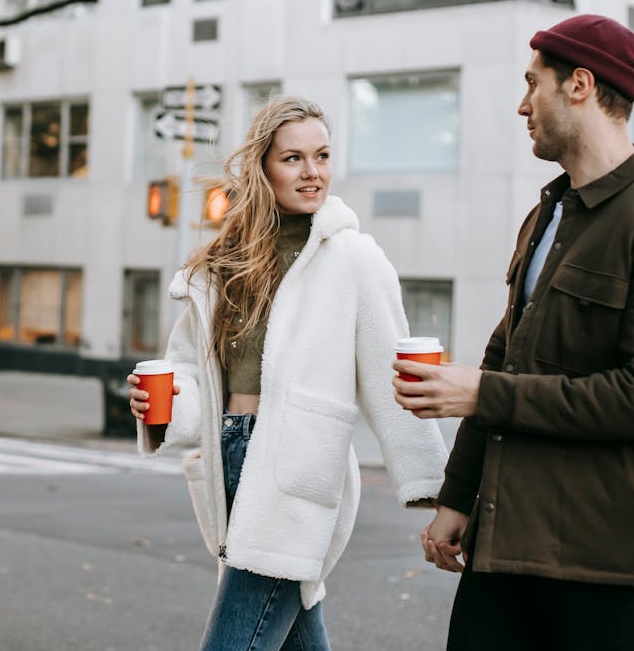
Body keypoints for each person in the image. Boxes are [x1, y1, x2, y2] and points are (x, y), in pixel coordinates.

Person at [393, 14, 634, 651]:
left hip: (597, 560)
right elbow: (504, 357)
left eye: (531, 84)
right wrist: (458, 495)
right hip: (502, 543)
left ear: (578, 85)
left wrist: (483, 393)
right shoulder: (549, 211)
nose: (522, 106)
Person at [129, 95, 447, 650]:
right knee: (296, 632)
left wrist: (437, 487)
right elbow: (194, 372)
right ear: (263, 167)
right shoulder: (226, 263)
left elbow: (394, 377)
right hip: (232, 451)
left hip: (298, 465)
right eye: (294, 159)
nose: (312, 172)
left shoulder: (353, 258)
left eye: (322, 156)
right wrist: (164, 405)